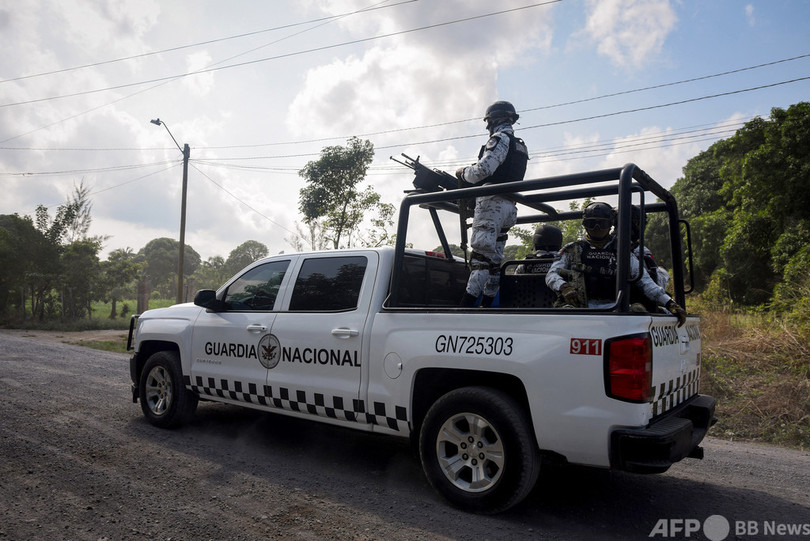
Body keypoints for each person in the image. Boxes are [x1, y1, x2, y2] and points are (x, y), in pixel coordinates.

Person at [545, 201, 687, 325]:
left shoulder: (622, 251)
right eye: (591, 223)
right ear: (584, 224)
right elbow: (552, 274)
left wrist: (669, 303)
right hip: (580, 310)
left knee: (638, 312)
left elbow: (645, 281)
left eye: (602, 224)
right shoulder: (573, 249)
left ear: (611, 224)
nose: (597, 228)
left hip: (616, 311)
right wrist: (563, 287)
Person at [455, 100, 529, 307]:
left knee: (480, 260)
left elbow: (482, 170)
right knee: (494, 262)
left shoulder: (499, 139)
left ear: (493, 120)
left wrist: (463, 173)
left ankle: (464, 308)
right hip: (509, 207)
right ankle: (487, 305)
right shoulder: (520, 144)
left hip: (491, 204)